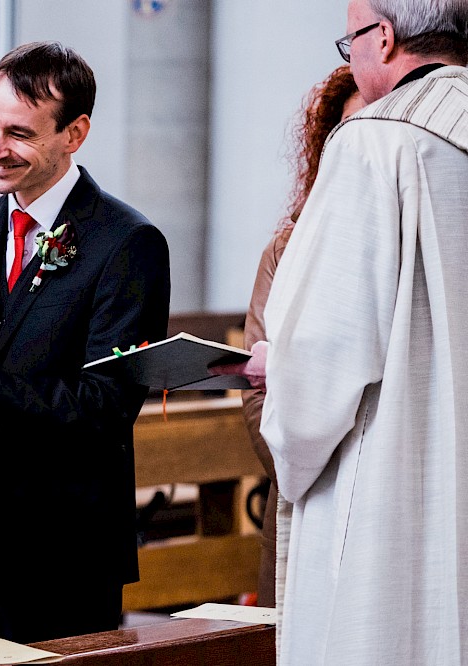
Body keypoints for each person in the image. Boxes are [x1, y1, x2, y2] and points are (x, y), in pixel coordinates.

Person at [222, 1, 468, 662]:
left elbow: (322, 359)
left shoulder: (374, 141)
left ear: (383, 38)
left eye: (350, 39)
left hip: (392, 499)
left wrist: (284, 369)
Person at [0, 41, 170, 643]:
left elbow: (105, 405)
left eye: (19, 133)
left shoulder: (126, 242)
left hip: (65, 547)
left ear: (75, 133)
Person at [240, 64, 364, 610]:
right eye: (347, 135)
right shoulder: (287, 251)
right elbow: (255, 393)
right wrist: (311, 476)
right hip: (303, 499)